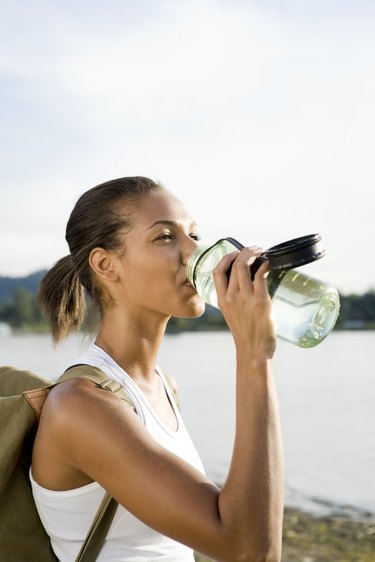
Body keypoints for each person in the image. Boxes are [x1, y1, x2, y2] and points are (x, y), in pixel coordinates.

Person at [31, 176, 284, 562]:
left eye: (195, 235)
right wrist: (253, 355)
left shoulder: (163, 385)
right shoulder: (80, 407)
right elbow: (250, 549)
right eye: (166, 237)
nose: (196, 252)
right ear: (106, 264)